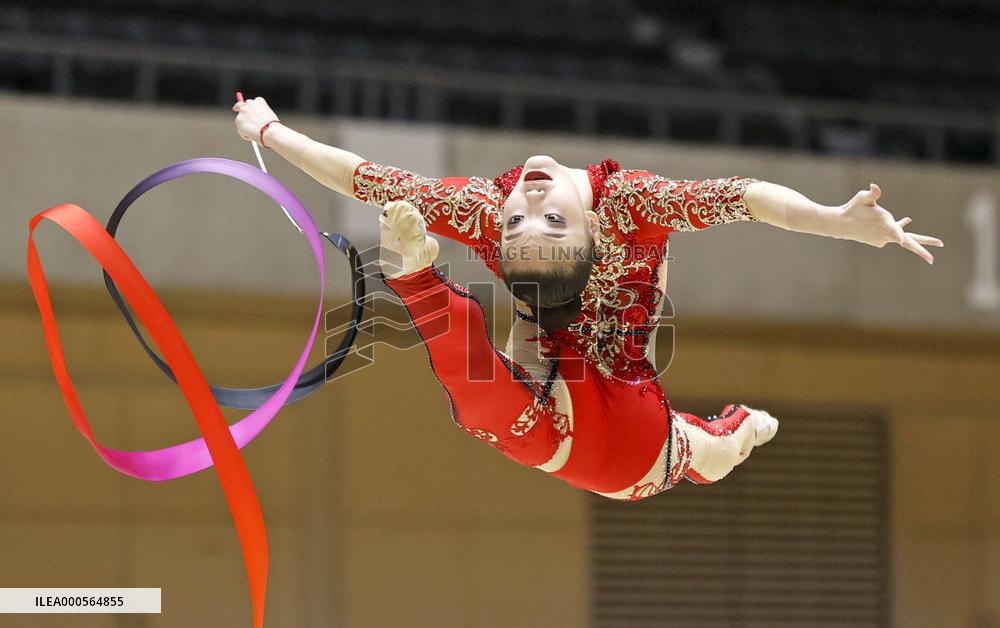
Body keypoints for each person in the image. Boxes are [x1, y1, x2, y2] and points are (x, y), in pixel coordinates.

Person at [233, 97, 942, 500]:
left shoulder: (588, 203)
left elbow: (751, 198)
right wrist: (268, 132)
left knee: (491, 388)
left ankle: (421, 281)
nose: (529, 199)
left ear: (599, 227)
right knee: (710, 448)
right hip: (615, 422)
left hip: (581, 408)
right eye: (531, 218)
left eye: (526, 220)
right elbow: (364, 177)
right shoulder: (535, 212)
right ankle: (736, 431)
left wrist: (839, 222)